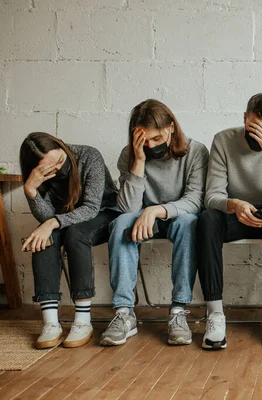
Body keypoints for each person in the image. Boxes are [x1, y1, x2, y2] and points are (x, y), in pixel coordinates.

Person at [197, 93, 262, 349]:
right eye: (254, 127)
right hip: (235, 210)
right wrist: (233, 204)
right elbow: (212, 196)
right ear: (245, 118)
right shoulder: (223, 140)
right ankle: (215, 314)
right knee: (207, 219)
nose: (259, 135)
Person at [101, 99, 209, 346]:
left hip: (176, 217)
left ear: (171, 127)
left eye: (157, 139)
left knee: (188, 223)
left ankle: (178, 310)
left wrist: (157, 210)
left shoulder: (196, 151)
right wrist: (138, 161)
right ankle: (124, 313)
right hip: (142, 219)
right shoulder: (129, 155)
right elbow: (128, 208)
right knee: (120, 224)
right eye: (144, 140)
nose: (151, 146)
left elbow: (196, 201)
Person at [20, 132, 120, 348]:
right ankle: (50, 322)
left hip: (103, 212)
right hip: (65, 218)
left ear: (62, 147)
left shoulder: (88, 156)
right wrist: (31, 190)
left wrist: (52, 223)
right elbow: (46, 217)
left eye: (60, 161)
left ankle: (83, 320)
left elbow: (92, 208)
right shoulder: (35, 179)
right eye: (50, 170)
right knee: (42, 237)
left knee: (76, 234)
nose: (58, 170)